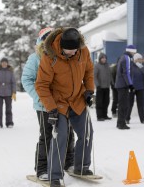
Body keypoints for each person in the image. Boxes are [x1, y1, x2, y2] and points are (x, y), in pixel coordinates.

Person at [35, 27, 94, 187]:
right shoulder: (50, 57)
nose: (73, 54)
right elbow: (41, 85)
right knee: (60, 136)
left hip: (77, 99)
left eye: (75, 50)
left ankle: (81, 167)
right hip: (58, 102)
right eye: (69, 51)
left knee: (87, 132)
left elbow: (88, 71)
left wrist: (89, 90)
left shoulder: (83, 51)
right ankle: (55, 175)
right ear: (61, 47)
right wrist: (51, 108)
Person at [21, 27, 75, 181]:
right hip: (44, 105)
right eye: (48, 38)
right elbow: (26, 80)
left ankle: (68, 162)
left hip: (64, 103)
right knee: (47, 136)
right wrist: (41, 98)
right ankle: (42, 169)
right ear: (43, 40)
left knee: (68, 133)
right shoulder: (35, 58)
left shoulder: (63, 56)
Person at [115, 45, 137, 130]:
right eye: (134, 51)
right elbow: (126, 73)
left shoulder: (123, 57)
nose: (134, 53)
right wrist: (130, 85)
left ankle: (119, 122)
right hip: (123, 85)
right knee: (124, 105)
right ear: (130, 51)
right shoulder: (126, 58)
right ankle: (121, 123)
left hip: (120, 84)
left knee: (122, 104)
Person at [0, 57, 16, 128]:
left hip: (8, 94)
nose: (4, 64)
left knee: (8, 109)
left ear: (7, 63)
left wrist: (14, 92)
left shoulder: (10, 72)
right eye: (3, 62)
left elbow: (13, 83)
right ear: (1, 63)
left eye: (5, 62)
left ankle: (9, 123)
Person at [125, 53, 144, 124]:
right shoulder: (130, 66)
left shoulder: (142, 66)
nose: (140, 60)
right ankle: (127, 118)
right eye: (138, 59)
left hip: (140, 87)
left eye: (141, 59)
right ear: (135, 59)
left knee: (140, 104)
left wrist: (142, 68)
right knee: (130, 104)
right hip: (132, 88)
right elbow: (128, 76)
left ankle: (142, 119)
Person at [94, 53, 112, 121]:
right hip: (100, 87)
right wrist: (97, 85)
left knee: (106, 102)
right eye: (102, 58)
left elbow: (110, 75)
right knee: (99, 102)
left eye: (105, 58)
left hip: (107, 87)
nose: (104, 59)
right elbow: (94, 76)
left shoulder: (107, 65)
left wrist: (112, 83)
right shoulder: (97, 66)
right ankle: (99, 116)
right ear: (100, 59)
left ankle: (105, 115)